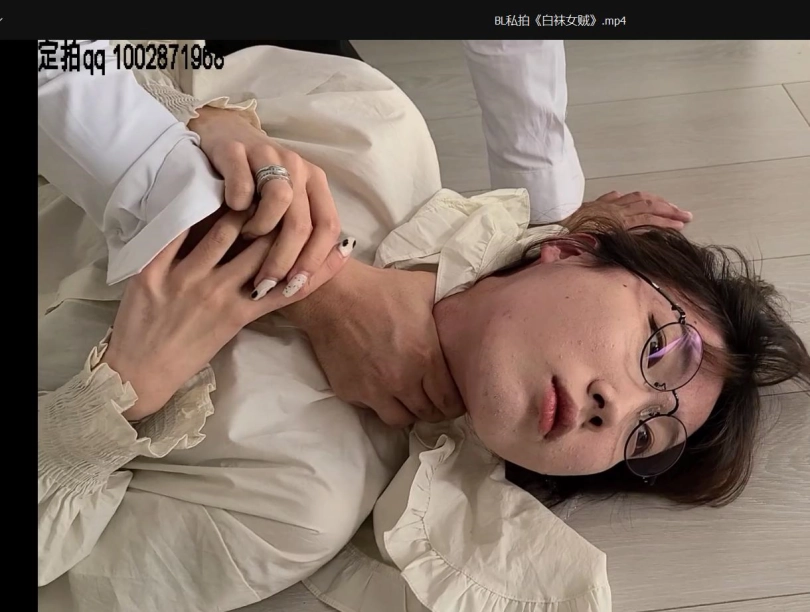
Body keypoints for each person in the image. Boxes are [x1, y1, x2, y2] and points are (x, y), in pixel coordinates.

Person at [38, 41, 810, 612]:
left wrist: (122, 396)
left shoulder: (297, 506)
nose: (618, 411)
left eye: (645, 438)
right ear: (572, 247)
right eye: (658, 349)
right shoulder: (371, 125)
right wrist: (208, 121)